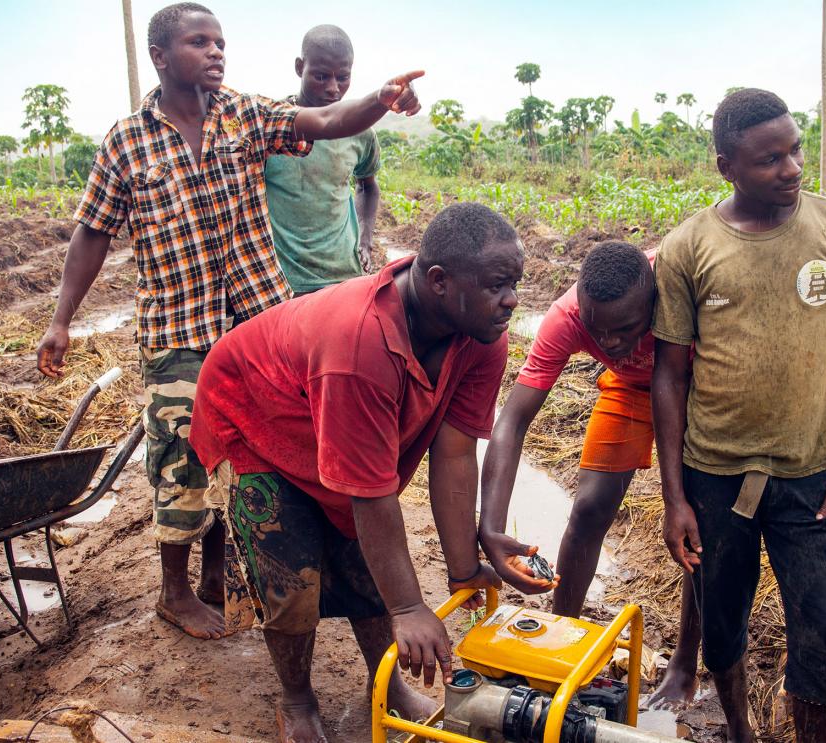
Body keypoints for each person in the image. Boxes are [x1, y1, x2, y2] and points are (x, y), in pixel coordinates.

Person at [34, 1, 423, 641]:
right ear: (161, 58)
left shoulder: (244, 115)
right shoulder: (126, 141)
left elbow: (327, 119)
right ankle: (175, 591)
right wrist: (60, 321)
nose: (216, 51)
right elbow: (92, 233)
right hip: (178, 331)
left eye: (220, 41)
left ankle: (231, 576)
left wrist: (380, 98)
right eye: (198, 42)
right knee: (181, 462)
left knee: (257, 457)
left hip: (258, 327)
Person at [188, 203, 522, 743]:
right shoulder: (361, 344)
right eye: (497, 286)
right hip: (254, 418)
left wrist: (463, 568)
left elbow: (455, 454)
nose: (511, 300)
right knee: (290, 572)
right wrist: (410, 607)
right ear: (438, 281)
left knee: (364, 557)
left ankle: (384, 684)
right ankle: (297, 700)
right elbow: (370, 494)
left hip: (325, 416)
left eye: (515, 284)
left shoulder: (481, 336)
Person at [652, 88, 826, 743]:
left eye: (794, 151)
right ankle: (740, 732)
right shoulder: (688, 246)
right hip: (714, 475)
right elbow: (668, 376)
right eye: (768, 159)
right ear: (726, 165)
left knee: (820, 630)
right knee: (721, 620)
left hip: (814, 477)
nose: (790, 169)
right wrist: (675, 497)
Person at [479, 240, 702, 708]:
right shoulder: (568, 318)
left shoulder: (680, 283)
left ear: (653, 303)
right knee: (588, 509)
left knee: (700, 526)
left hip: (700, 389)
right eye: (598, 333)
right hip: (631, 388)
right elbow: (512, 422)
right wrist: (491, 527)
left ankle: (684, 665)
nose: (611, 344)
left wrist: (674, 496)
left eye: (625, 329)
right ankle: (560, 640)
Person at [264, 25, 381, 294]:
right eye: (320, 76)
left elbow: (367, 185)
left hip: (342, 275)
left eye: (343, 77)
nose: (333, 88)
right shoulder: (272, 126)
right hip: (282, 279)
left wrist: (365, 238)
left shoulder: (360, 132)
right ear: (299, 67)